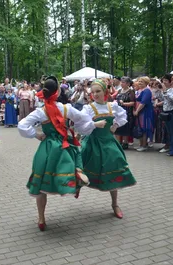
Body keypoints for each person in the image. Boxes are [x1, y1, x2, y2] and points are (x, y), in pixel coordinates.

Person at [18, 76, 106, 231]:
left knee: (41, 181)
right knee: (74, 158)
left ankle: (41, 218)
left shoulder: (40, 111)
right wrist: (89, 126)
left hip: (47, 148)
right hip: (65, 145)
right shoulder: (66, 109)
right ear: (58, 92)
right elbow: (83, 119)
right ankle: (77, 174)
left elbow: (22, 125)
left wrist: (36, 134)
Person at [81, 79, 136, 219]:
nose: (95, 94)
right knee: (82, 168)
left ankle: (115, 204)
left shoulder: (113, 106)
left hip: (109, 143)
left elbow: (123, 115)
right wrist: (94, 124)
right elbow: (81, 126)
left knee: (115, 166)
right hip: (93, 143)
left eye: (98, 91)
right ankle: (76, 187)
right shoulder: (88, 108)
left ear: (105, 92)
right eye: (92, 92)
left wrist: (115, 125)